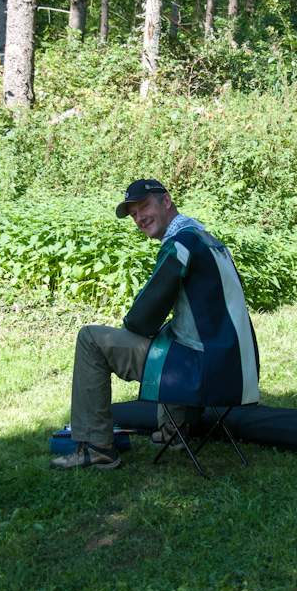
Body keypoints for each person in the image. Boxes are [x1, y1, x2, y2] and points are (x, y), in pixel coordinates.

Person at [50, 179, 260, 471]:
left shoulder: (180, 246)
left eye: (145, 206)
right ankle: (174, 432)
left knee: (90, 339)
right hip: (237, 371)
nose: (140, 218)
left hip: (202, 372)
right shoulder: (204, 239)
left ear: (167, 200)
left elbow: (141, 319)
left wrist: (130, 323)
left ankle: (97, 447)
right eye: (134, 214)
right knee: (171, 336)